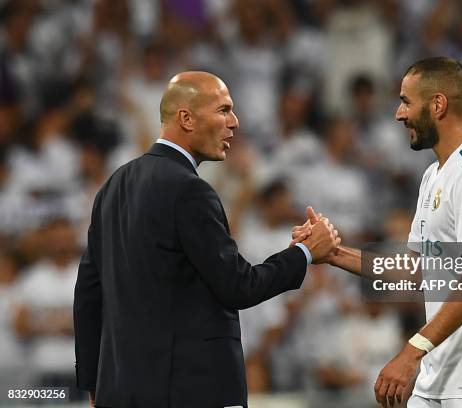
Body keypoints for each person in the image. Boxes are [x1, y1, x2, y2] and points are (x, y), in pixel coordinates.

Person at [73, 71, 340, 408]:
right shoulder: (189, 190)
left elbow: (87, 296)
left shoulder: (112, 187)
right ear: (186, 118)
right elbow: (238, 286)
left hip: (121, 391)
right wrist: (304, 253)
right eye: (223, 110)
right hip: (191, 391)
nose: (235, 122)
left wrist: (93, 385)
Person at [293, 57, 462, 407]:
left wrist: (413, 349)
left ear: (438, 104)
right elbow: (416, 272)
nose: (398, 114)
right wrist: (334, 254)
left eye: (406, 101)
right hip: (438, 379)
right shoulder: (433, 176)